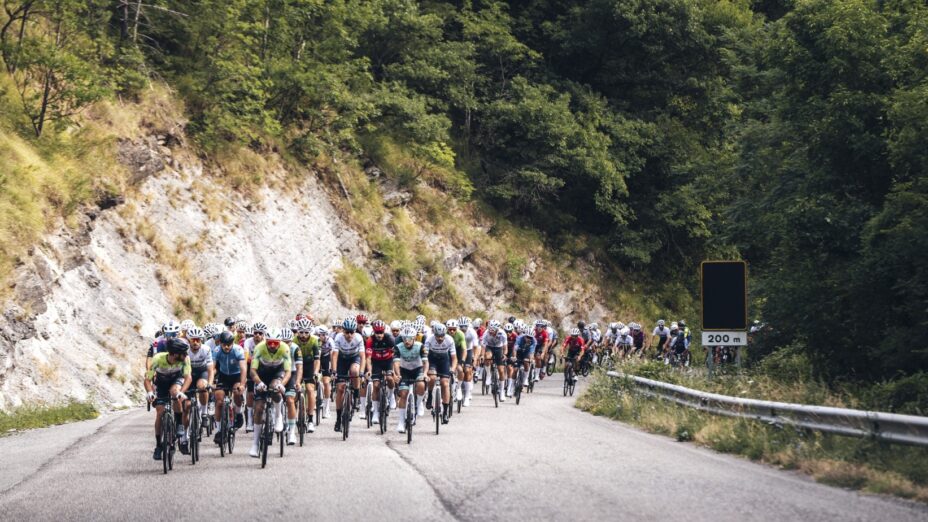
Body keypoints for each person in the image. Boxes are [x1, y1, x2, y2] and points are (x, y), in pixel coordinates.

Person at [144, 338, 192, 460]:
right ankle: (158, 445)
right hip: (161, 382)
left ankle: (179, 424)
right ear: (175, 354)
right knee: (160, 411)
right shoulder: (158, 359)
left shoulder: (185, 359)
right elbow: (147, 379)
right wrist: (150, 392)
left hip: (176, 379)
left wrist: (182, 392)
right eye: (183, 353)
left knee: (175, 392)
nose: (186, 355)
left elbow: (188, 378)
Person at [248, 328, 292, 458]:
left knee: (275, 388)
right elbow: (253, 371)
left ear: (279, 342)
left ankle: (278, 416)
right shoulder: (259, 348)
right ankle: (255, 444)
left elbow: (288, 371)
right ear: (266, 341)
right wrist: (259, 383)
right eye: (270, 343)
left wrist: (282, 384)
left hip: (277, 373)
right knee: (259, 408)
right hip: (261, 373)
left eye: (275, 343)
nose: (272, 345)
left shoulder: (284, 348)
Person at [211, 331, 247, 443]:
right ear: (220, 343)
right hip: (223, 376)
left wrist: (242, 385)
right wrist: (211, 382)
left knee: (237, 392)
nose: (226, 347)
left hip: (236, 376)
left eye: (229, 344)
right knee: (219, 401)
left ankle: (238, 413)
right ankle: (219, 430)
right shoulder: (217, 350)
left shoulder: (238, 350)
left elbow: (243, 369)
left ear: (232, 343)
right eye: (224, 345)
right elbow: (212, 368)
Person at [332, 317, 365, 432]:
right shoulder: (338, 337)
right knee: (340, 388)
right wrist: (334, 371)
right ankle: (338, 419)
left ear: (355, 331)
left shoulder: (359, 338)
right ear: (343, 331)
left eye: (352, 332)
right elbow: (334, 356)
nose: (349, 335)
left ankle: (356, 395)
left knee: (355, 371)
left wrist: (362, 372)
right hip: (342, 359)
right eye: (347, 332)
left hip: (354, 358)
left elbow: (362, 356)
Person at [393, 326, 428, 433]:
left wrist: (425, 374)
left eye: (409, 338)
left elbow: (425, 362)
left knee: (421, 385)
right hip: (404, 370)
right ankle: (401, 422)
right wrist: (398, 375)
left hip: (417, 369)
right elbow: (396, 363)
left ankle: (418, 404)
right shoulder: (398, 347)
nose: (407, 341)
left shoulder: (420, 346)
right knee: (403, 393)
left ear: (414, 338)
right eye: (404, 338)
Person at [424, 323, 458, 424]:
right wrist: (425, 370)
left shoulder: (449, 340)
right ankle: (430, 394)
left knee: (445, 383)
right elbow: (425, 357)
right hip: (432, 360)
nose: (440, 338)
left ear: (445, 334)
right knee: (432, 377)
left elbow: (454, 358)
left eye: (442, 336)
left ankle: (445, 412)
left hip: (444, 360)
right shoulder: (429, 339)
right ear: (434, 334)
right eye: (437, 336)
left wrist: (453, 369)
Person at [365, 320, 396, 424]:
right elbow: (368, 358)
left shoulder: (389, 339)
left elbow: (395, 355)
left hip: (388, 361)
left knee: (390, 378)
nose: (379, 335)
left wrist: (394, 370)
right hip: (376, 362)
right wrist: (369, 371)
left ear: (384, 331)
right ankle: (376, 412)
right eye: (377, 332)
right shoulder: (370, 340)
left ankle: (391, 395)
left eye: (381, 332)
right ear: (374, 332)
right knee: (376, 385)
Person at [293, 318, 320, 433]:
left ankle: (310, 420)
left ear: (310, 332)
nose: (303, 335)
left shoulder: (314, 340)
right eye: (301, 332)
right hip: (296, 365)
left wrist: (315, 372)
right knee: (294, 392)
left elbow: (317, 359)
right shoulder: (294, 340)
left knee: (310, 389)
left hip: (309, 365)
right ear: (297, 332)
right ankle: (293, 416)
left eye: (306, 332)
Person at [282, 328, 303, 445]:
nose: (286, 344)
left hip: (292, 372)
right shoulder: (274, 347)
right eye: (283, 342)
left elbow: (299, 368)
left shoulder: (295, 348)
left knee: (290, 400)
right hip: (279, 372)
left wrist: (298, 382)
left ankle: (291, 432)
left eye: (288, 342)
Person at [481, 320, 508, 402]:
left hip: (499, 348)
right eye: (490, 329)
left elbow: (505, 346)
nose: (491, 331)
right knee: (487, 357)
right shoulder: (486, 333)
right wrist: (482, 355)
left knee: (501, 370)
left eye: (493, 330)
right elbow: (483, 346)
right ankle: (488, 375)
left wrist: (505, 354)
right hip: (489, 347)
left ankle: (502, 391)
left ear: (497, 329)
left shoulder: (502, 333)